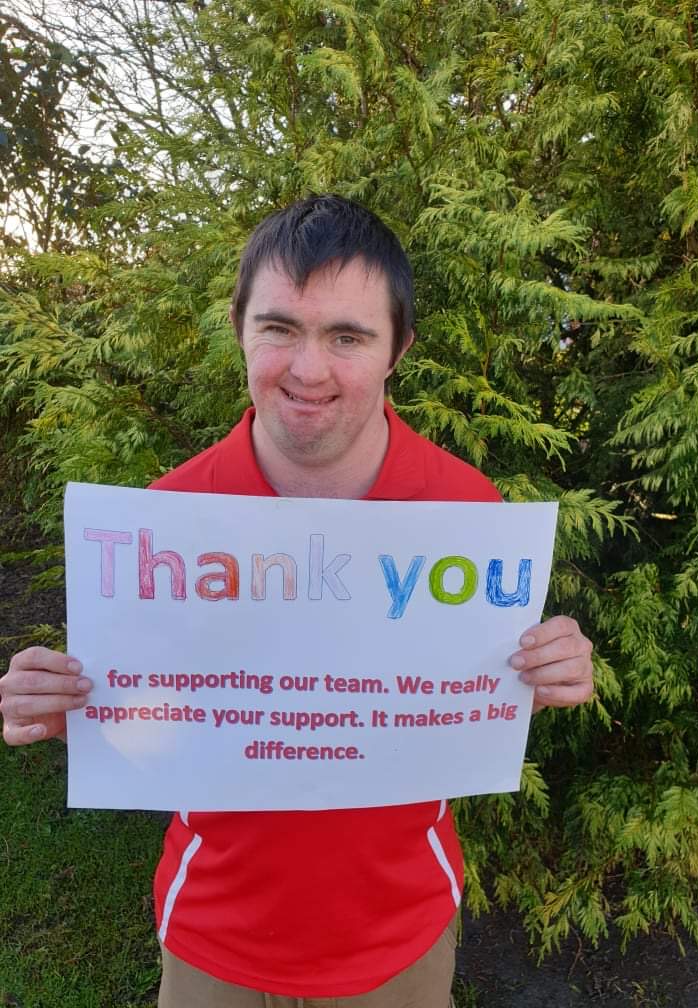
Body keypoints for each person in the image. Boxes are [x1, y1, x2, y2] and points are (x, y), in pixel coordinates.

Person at [0, 195, 594, 1007]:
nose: (309, 370)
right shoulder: (166, 519)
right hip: (216, 935)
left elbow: (477, 696)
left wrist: (546, 671)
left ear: (398, 349)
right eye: (280, 327)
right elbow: (152, 722)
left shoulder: (467, 513)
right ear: (240, 329)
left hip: (399, 939)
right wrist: (70, 706)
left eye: (348, 336)